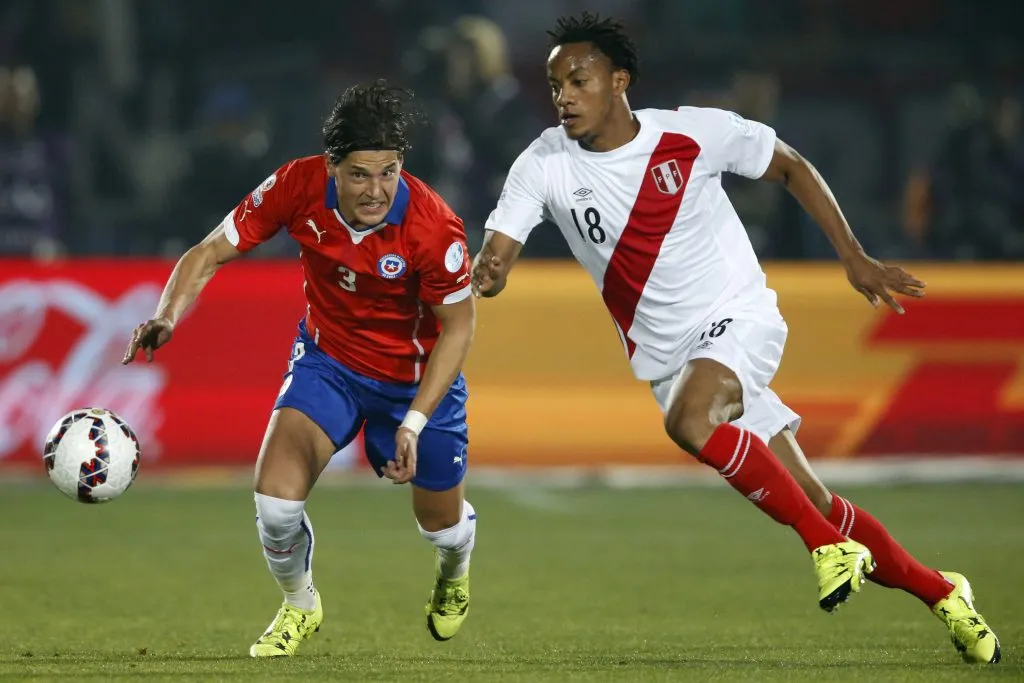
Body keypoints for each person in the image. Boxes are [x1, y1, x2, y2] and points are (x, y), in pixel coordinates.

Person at [471, 13, 999, 664]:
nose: (564, 97)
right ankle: (942, 591)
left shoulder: (693, 133)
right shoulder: (543, 162)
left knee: (692, 421)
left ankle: (823, 546)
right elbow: (499, 250)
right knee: (815, 498)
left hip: (738, 317)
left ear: (618, 81)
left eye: (578, 80)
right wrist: (488, 270)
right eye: (555, 85)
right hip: (671, 360)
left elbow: (791, 166)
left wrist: (854, 255)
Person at [123, 81, 478, 656]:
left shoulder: (434, 227)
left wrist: (412, 424)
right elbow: (210, 250)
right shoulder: (296, 185)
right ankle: (300, 605)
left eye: (388, 172)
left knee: (441, 525)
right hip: (329, 363)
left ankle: (455, 568)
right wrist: (167, 316)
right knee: (275, 506)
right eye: (360, 174)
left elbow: (459, 328)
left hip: (413, 383)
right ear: (332, 167)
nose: (375, 190)